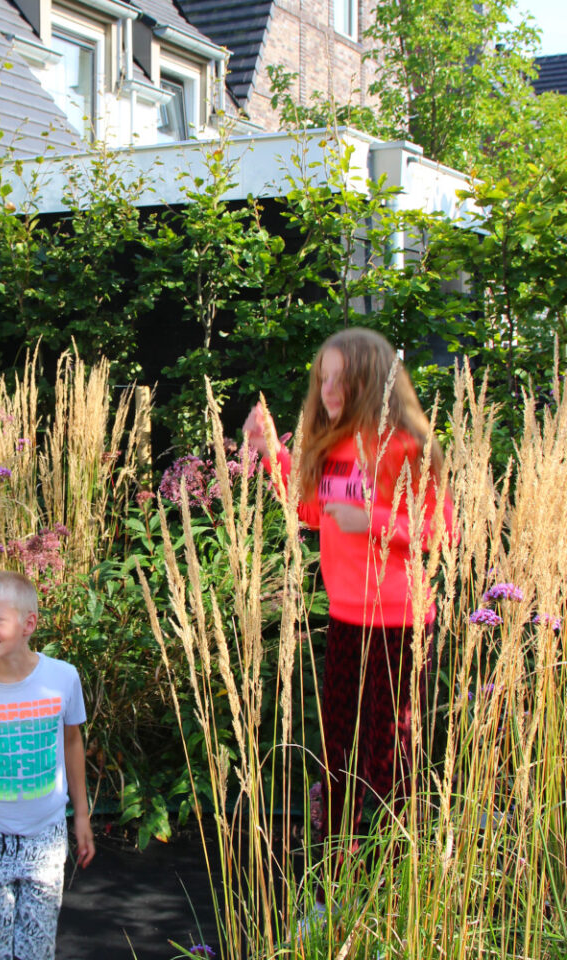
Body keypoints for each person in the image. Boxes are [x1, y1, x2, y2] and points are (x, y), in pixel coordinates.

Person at [243, 327, 452, 914]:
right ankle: (335, 893)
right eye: (323, 379)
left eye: (342, 378)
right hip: (345, 620)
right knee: (337, 758)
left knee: (390, 761)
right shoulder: (333, 445)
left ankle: (392, 896)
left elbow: (439, 533)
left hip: (400, 625)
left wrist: (377, 521)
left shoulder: (407, 448)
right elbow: (310, 510)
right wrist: (270, 454)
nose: (329, 389)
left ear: (373, 380)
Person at [0, 570, 95, 960]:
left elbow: (73, 742)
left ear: (29, 624)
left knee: (37, 944)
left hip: (46, 831)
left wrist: (81, 816)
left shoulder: (62, 678)